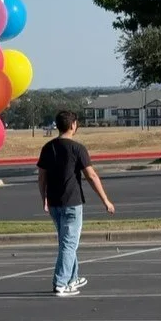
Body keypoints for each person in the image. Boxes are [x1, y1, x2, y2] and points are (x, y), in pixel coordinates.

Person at [37, 111, 115, 297]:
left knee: (67, 242)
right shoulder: (77, 149)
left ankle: (73, 277)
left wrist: (44, 199)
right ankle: (61, 283)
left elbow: (41, 177)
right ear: (73, 125)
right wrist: (105, 200)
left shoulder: (48, 148)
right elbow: (91, 176)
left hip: (55, 203)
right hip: (72, 203)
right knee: (69, 244)